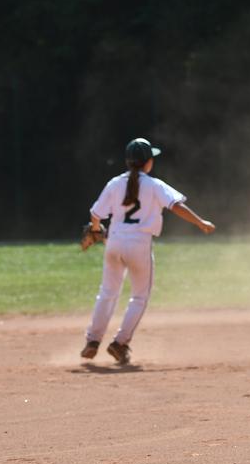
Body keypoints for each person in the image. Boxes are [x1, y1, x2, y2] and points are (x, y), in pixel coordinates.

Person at [81, 138, 215, 364]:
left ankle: (92, 340)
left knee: (107, 293)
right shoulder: (154, 185)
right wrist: (200, 222)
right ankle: (120, 343)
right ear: (148, 163)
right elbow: (176, 206)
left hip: (113, 242)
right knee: (139, 297)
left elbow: (96, 214)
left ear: (127, 161)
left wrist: (96, 230)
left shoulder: (114, 183)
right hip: (139, 245)